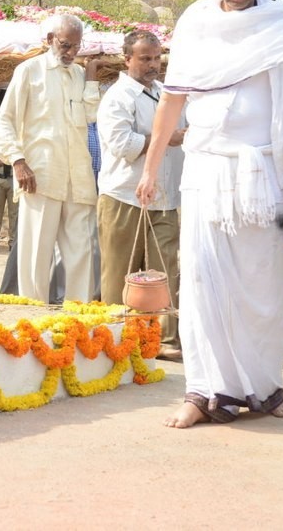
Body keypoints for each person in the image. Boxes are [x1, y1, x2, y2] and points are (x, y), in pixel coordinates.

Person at [136, 0, 283, 428]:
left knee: (263, 288)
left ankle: (265, 389)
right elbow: (172, 100)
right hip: (206, 170)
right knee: (203, 282)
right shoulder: (195, 23)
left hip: (266, 175)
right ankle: (203, 392)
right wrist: (151, 168)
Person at [0, 14, 104, 303]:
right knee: (36, 254)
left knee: (82, 251)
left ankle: (79, 315)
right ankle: (33, 315)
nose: (71, 52)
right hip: (40, 175)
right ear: (50, 40)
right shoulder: (29, 71)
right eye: (65, 45)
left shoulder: (79, 74)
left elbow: (91, 116)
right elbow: (5, 121)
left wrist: (92, 79)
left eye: (76, 46)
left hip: (78, 177)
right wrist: (18, 161)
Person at [96, 29, 185, 361]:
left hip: (165, 197)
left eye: (157, 58)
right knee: (120, 271)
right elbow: (122, 144)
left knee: (165, 270)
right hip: (123, 197)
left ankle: (164, 338)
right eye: (145, 58)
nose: (153, 65)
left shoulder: (165, 93)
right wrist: (165, 139)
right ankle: (113, 337)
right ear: (127, 59)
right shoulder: (117, 97)